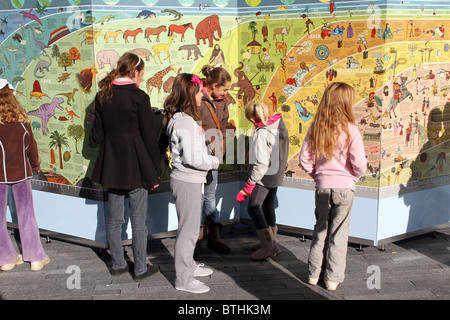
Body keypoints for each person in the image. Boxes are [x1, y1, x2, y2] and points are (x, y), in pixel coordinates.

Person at [91, 52, 161, 280]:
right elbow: (149, 138)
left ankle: (118, 265)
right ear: (136, 72)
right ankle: (140, 269)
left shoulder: (103, 94)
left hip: (111, 165)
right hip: (137, 165)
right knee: (138, 221)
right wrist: (155, 170)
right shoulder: (139, 97)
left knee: (114, 219)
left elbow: (98, 136)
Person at [299, 82, 367, 291]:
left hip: (322, 186)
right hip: (345, 188)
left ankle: (313, 274)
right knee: (339, 233)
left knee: (320, 230)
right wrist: (353, 177)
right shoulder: (352, 130)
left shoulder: (316, 127)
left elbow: (304, 160)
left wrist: (318, 175)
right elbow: (359, 164)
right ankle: (332, 279)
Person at [164, 73, 220, 294]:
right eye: (199, 92)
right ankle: (183, 279)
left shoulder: (182, 119)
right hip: (187, 181)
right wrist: (214, 161)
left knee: (188, 228)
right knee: (188, 232)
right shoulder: (185, 122)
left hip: (189, 181)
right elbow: (194, 159)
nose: (202, 95)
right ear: (190, 94)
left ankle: (188, 266)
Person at [0, 79, 50, 271]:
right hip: (21, 173)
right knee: (27, 215)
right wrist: (36, 164)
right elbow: (31, 148)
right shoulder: (22, 121)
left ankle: (5, 259)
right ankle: (35, 258)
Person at [236, 101, 289, 261]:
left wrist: (250, 184)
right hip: (276, 174)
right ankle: (273, 242)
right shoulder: (278, 126)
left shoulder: (262, 133)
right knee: (268, 205)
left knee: (254, 207)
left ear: (252, 118)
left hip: (263, 177)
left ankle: (269, 246)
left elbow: (260, 163)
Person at [195, 65, 232, 258]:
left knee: (210, 196)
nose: (226, 93)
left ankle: (213, 237)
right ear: (214, 85)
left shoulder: (222, 101)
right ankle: (196, 239)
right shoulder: (196, 97)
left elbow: (224, 126)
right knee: (197, 198)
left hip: (214, 155)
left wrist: (220, 150)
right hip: (197, 155)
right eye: (224, 89)